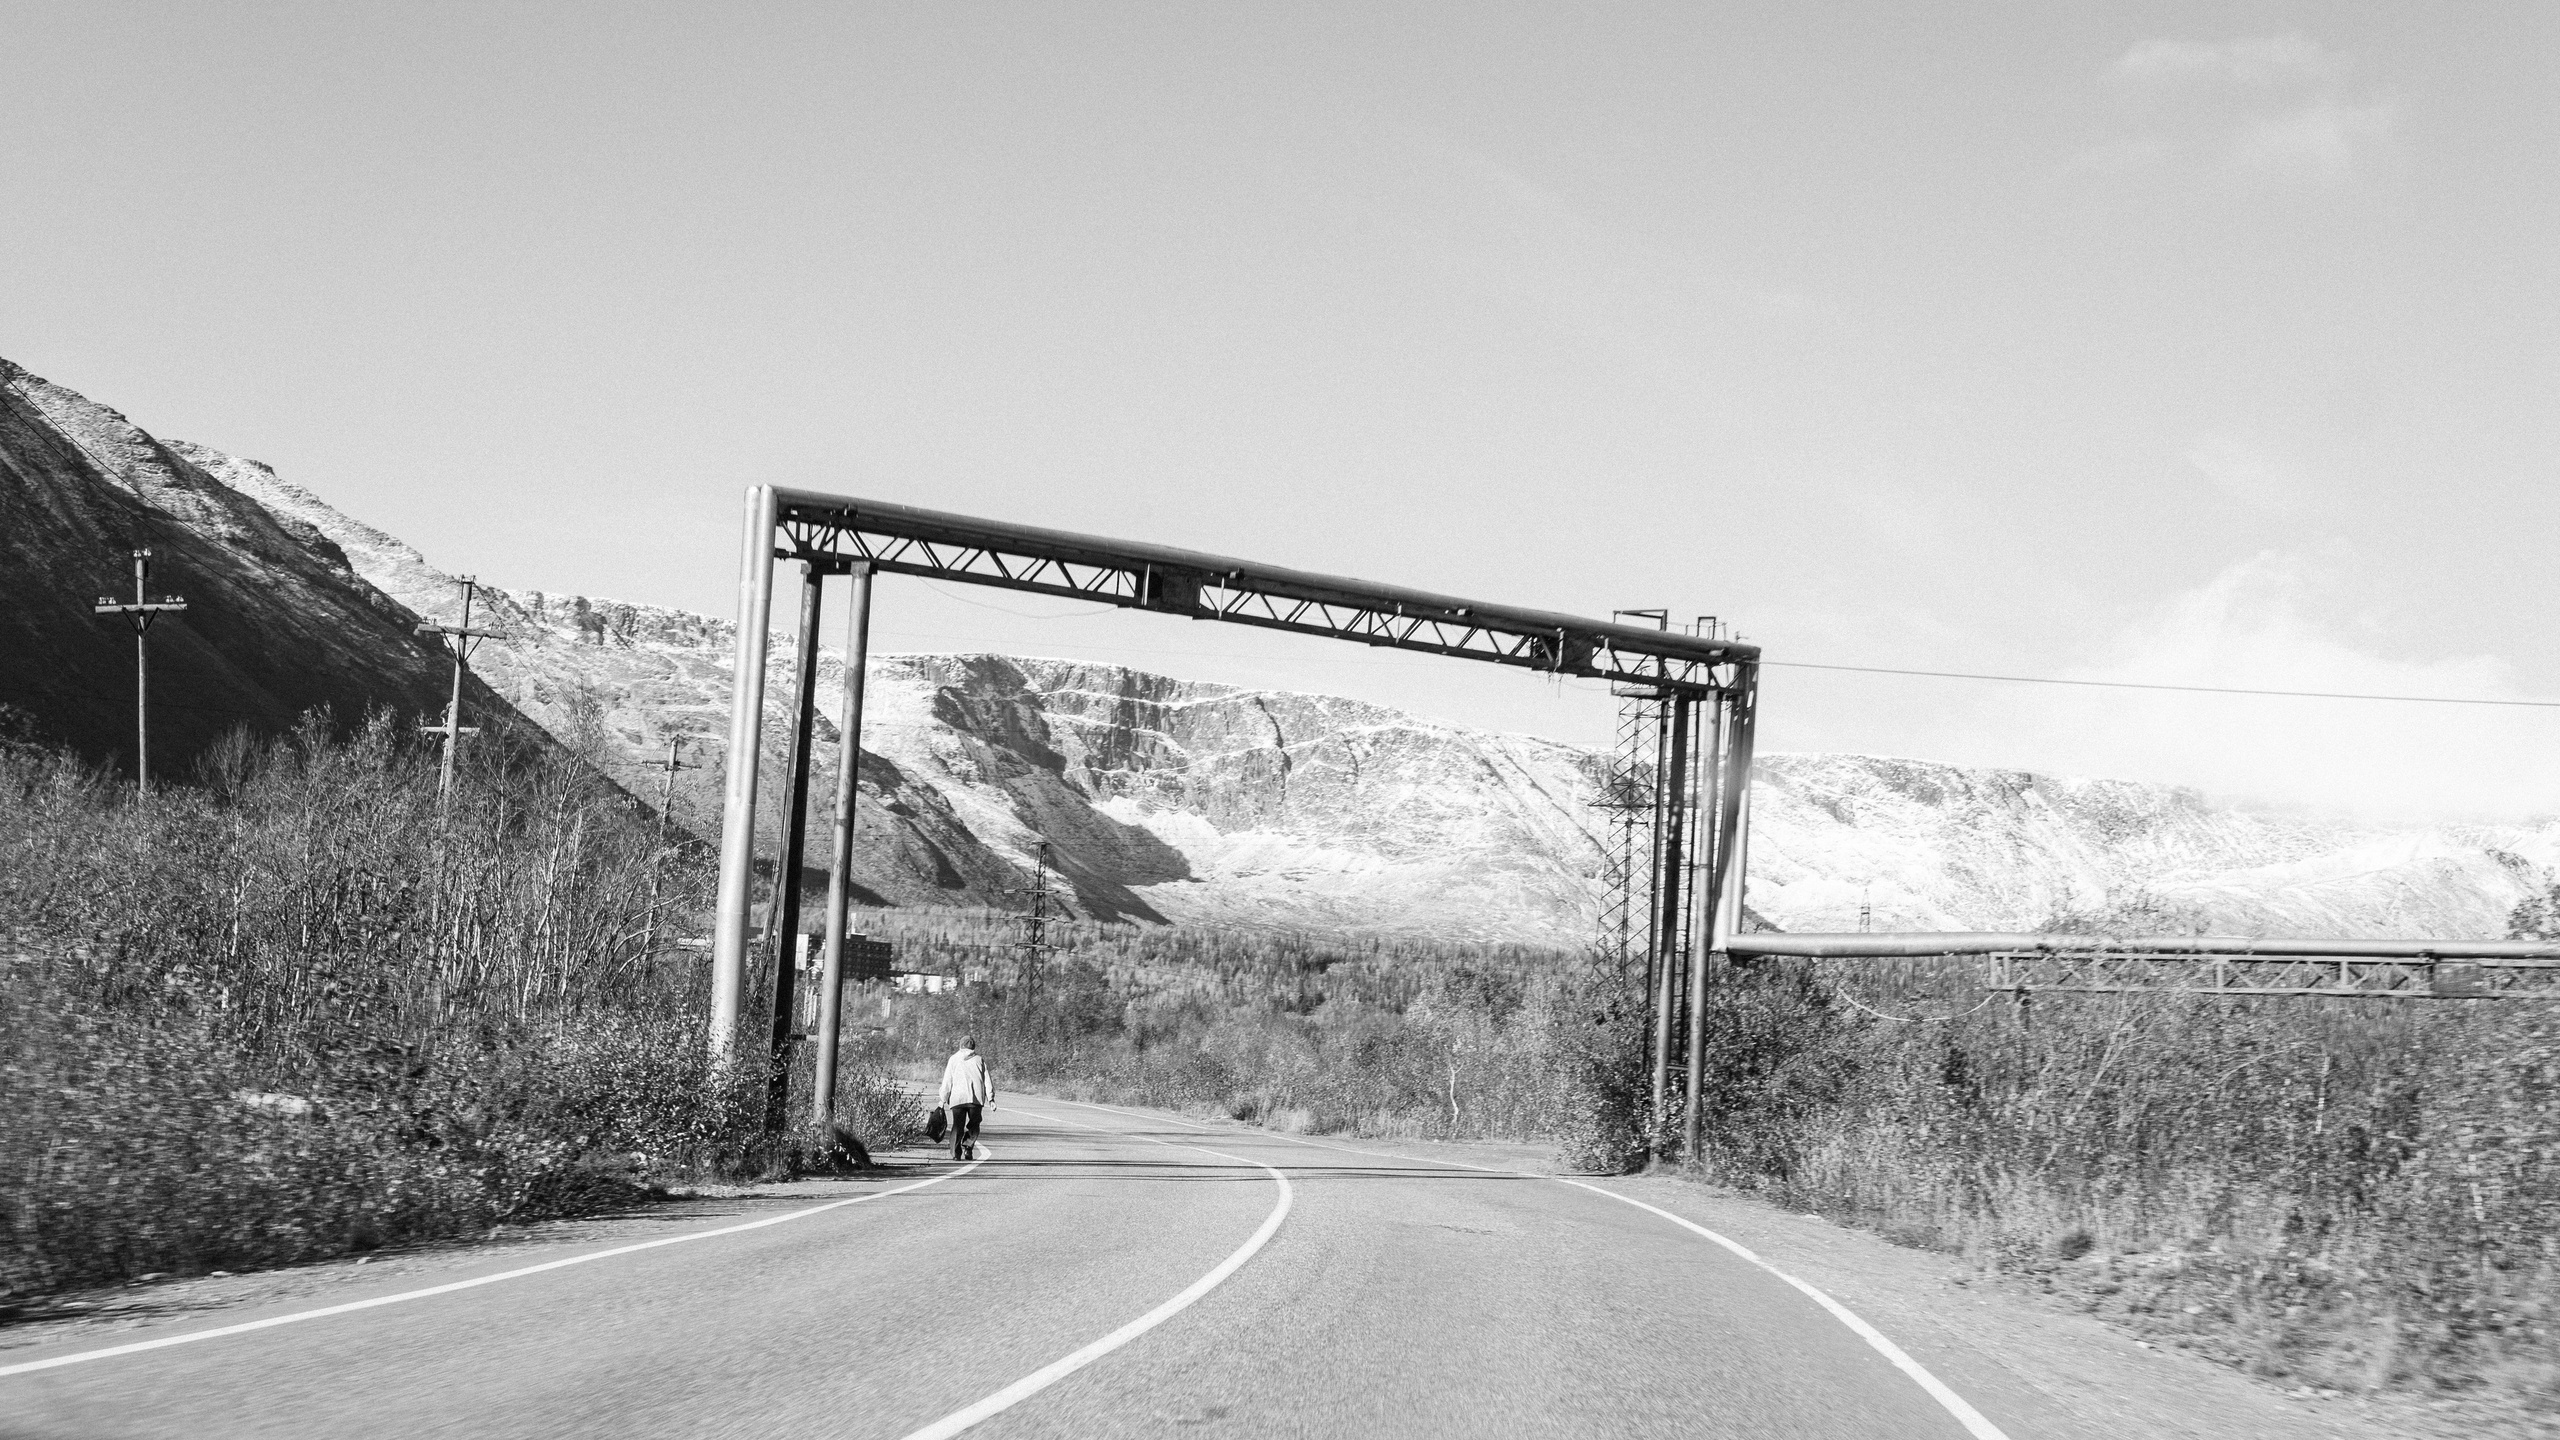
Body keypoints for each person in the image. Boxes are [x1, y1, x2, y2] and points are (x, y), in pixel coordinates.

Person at [938, 1036, 995, 1161]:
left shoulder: (953, 1059)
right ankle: (968, 1145)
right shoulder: (979, 1060)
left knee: (957, 1126)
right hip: (975, 1099)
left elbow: (947, 1081)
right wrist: (991, 1099)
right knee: (974, 1124)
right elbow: (987, 1081)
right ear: (973, 1047)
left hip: (957, 1099)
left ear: (961, 1046)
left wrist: (942, 1099)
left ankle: (955, 1154)